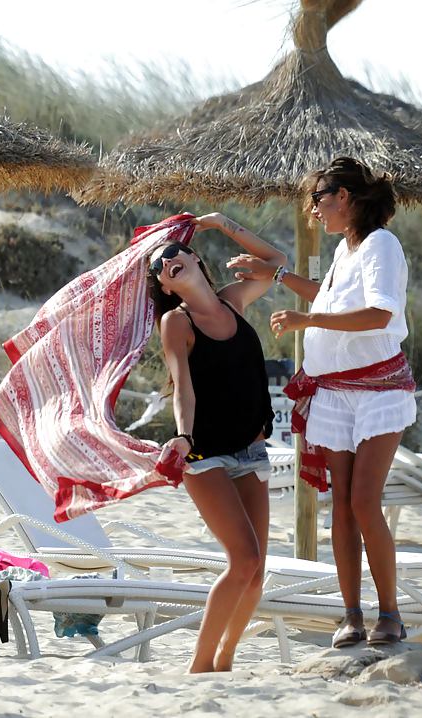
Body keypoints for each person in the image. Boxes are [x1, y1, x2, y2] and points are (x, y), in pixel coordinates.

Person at [247, 156, 415, 647]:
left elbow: (380, 314)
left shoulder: (382, 243)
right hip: (336, 391)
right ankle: (351, 615)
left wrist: (308, 323)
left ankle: (391, 614)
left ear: (345, 197)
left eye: (318, 200)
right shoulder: (347, 248)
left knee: (364, 501)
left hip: (379, 388)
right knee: (340, 504)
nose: (313, 210)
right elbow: (328, 295)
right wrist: (278, 277)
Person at [148, 212, 287, 673]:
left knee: (256, 573)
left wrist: (221, 222)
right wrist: (183, 436)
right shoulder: (176, 322)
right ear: (166, 286)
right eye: (160, 265)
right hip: (205, 454)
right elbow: (182, 386)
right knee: (242, 558)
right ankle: (200, 664)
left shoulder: (234, 303)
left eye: (175, 252)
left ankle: (224, 660)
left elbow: (276, 261)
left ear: (193, 257)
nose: (169, 261)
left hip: (251, 451)